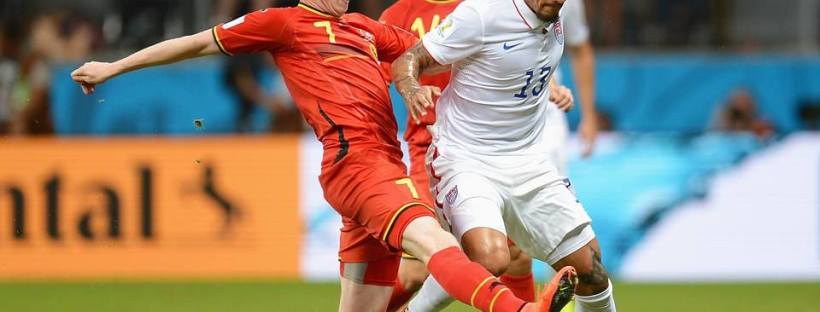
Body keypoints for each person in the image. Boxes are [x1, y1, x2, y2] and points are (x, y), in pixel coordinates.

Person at [70, 1, 572, 311]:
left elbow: (445, 54)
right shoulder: (284, 25)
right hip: (360, 166)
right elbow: (200, 43)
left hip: (378, 168)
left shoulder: (364, 28)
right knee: (436, 242)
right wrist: (114, 67)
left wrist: (537, 85)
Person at [392, 0, 616, 311]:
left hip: (529, 160)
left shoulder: (561, 12)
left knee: (592, 272)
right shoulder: (482, 14)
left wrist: (550, 86)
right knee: (490, 258)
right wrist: (411, 87)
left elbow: (532, 57)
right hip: (465, 158)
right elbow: (410, 58)